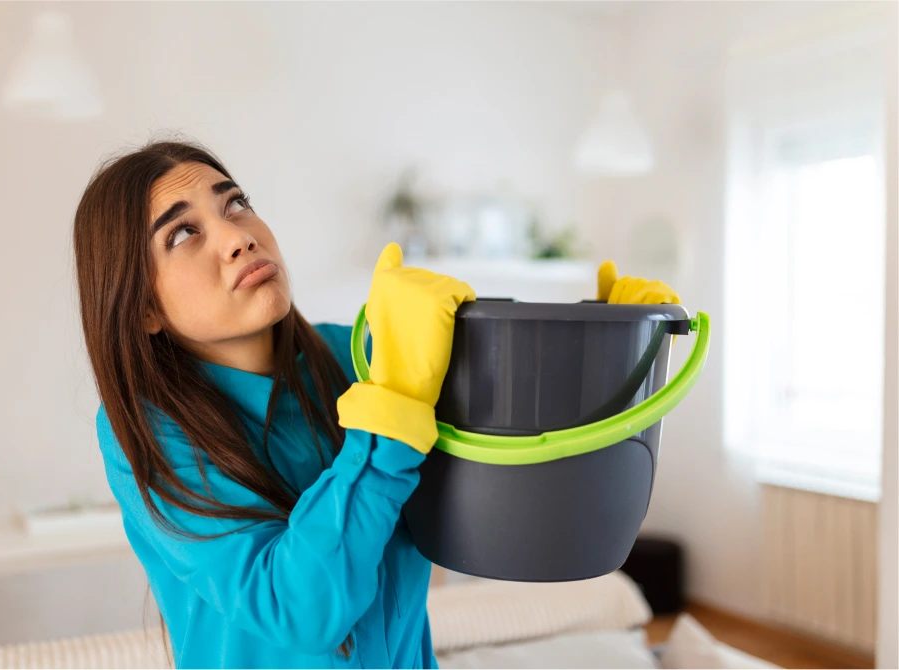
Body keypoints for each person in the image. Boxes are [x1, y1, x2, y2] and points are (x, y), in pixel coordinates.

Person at [72, 139, 679, 669]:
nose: (238, 236)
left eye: (236, 203)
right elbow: (300, 612)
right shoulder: (146, 432)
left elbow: (515, 476)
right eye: (184, 233)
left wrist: (614, 347)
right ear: (142, 308)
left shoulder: (356, 357)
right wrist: (391, 404)